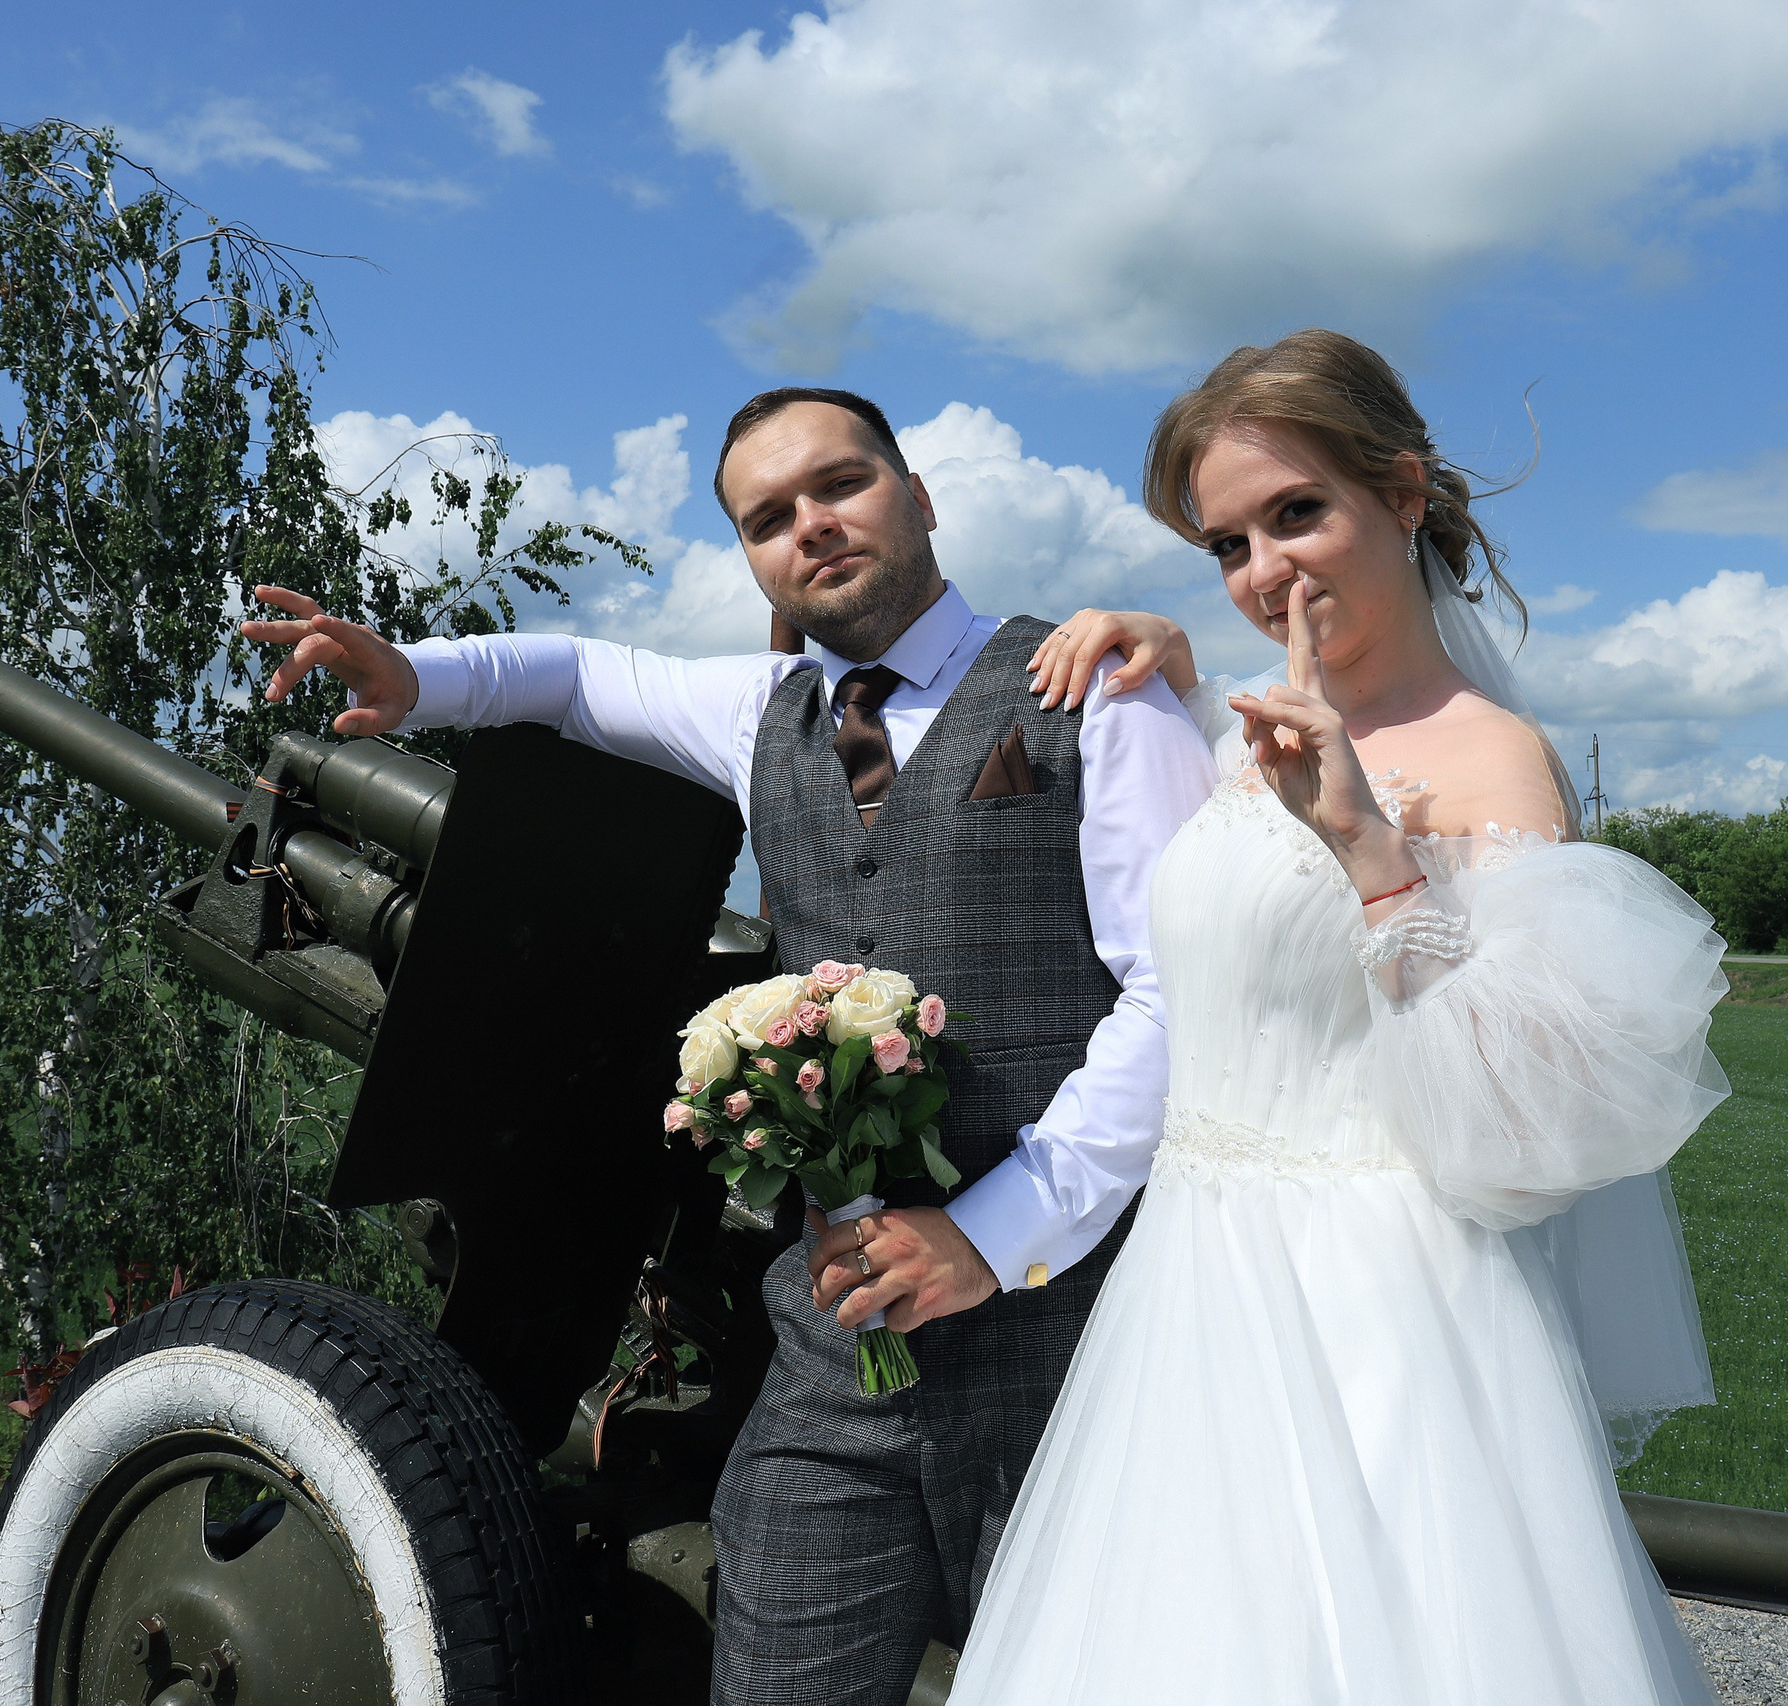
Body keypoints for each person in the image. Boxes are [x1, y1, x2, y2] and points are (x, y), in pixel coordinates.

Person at [238, 388, 1218, 1706]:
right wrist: (420, 680)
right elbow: (581, 679)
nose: (810, 526)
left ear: (920, 497)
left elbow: (1179, 1001)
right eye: (768, 518)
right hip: (833, 1369)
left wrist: (991, 1237)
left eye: (840, 485)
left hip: (1073, 1354)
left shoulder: (1098, 691)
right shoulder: (762, 713)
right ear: (754, 559)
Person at [946, 330, 1729, 1704]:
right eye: (1227, 544)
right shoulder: (1249, 732)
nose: (1265, 571)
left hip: (1382, 1312)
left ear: (1405, 493)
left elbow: (1533, 1118)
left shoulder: (1490, 759)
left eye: (1297, 512)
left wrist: (1374, 853)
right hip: (1193, 1296)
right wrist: (1187, 674)